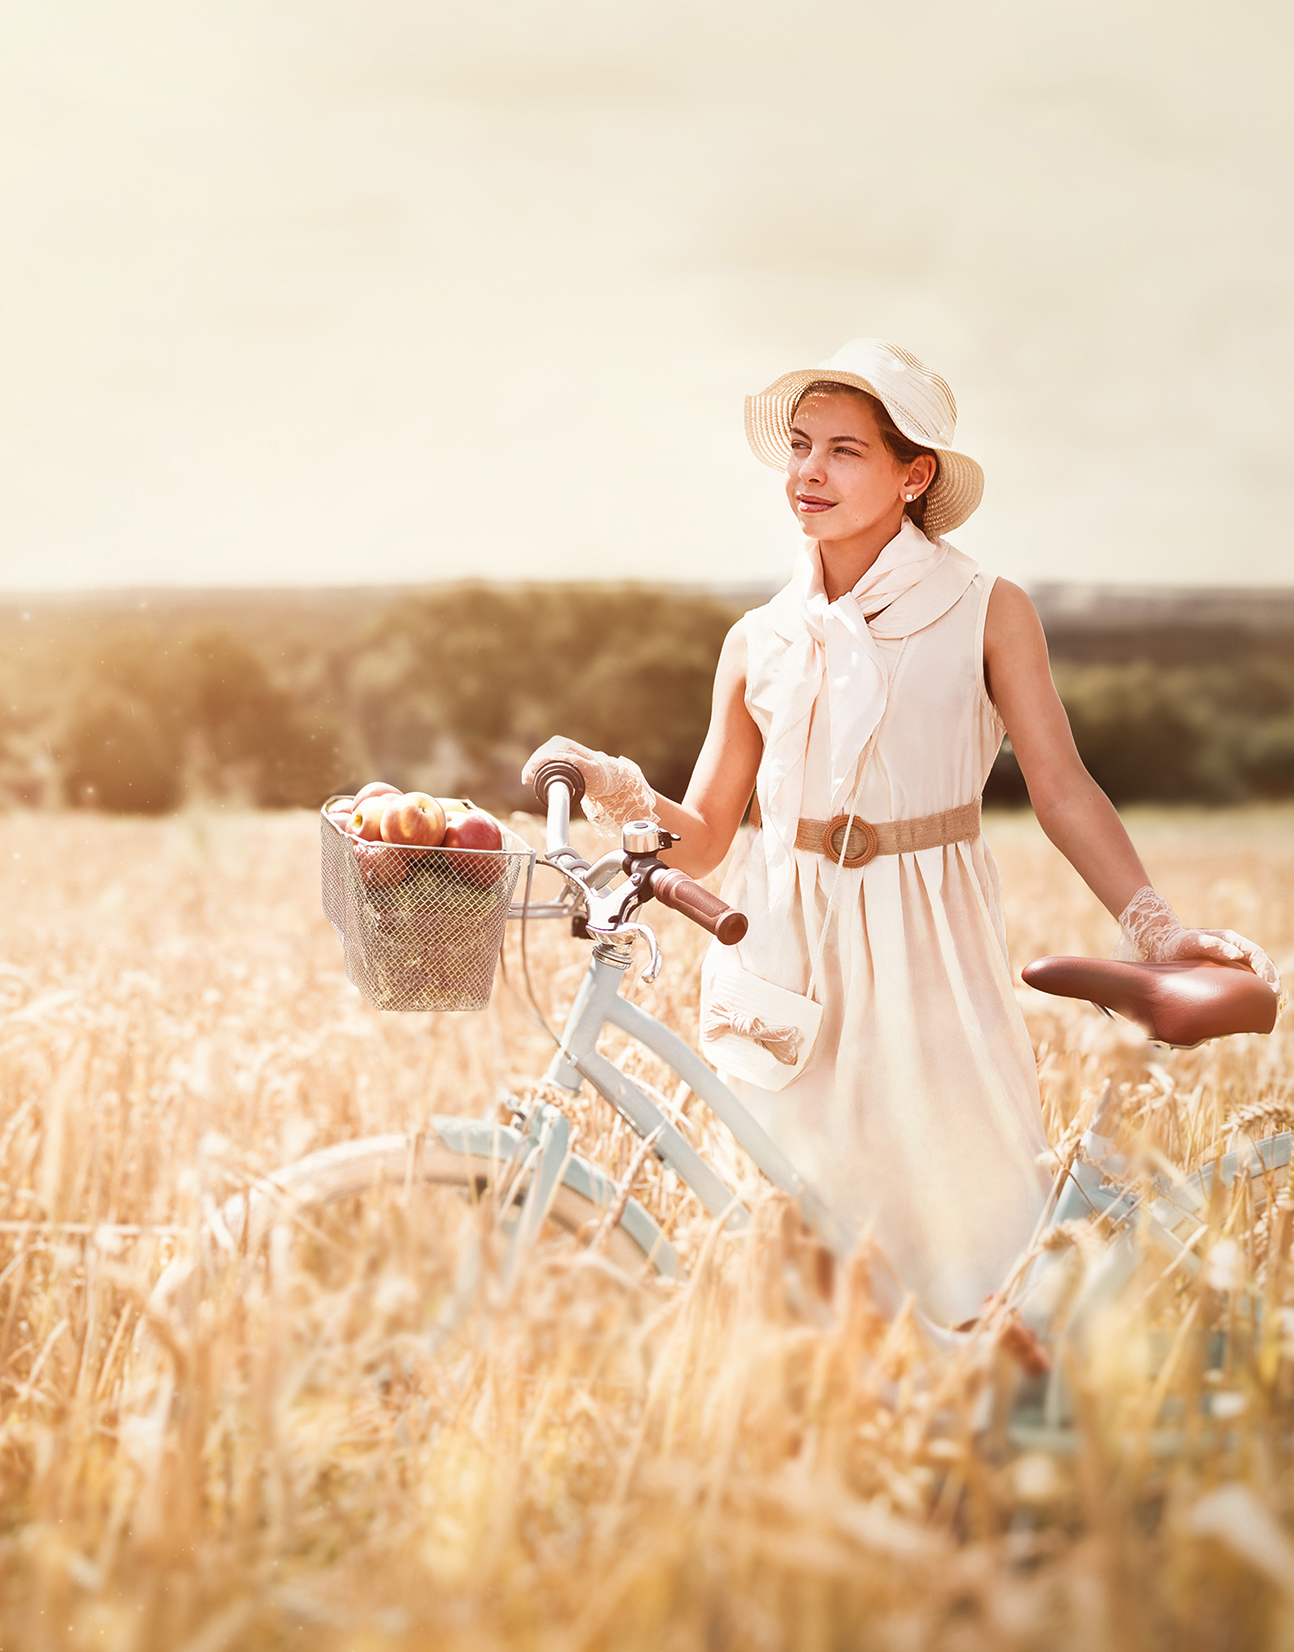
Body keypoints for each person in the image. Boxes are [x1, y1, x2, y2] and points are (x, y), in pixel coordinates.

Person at [521, 340, 1279, 1324]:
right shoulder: (757, 638)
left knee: (966, 1231)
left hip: (927, 942)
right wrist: (616, 784)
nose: (809, 471)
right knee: (791, 1238)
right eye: (800, 445)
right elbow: (704, 837)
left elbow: (1061, 790)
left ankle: (999, 1390)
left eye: (845, 451)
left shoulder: (986, 609)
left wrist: (1155, 928)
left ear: (913, 475)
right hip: (781, 950)